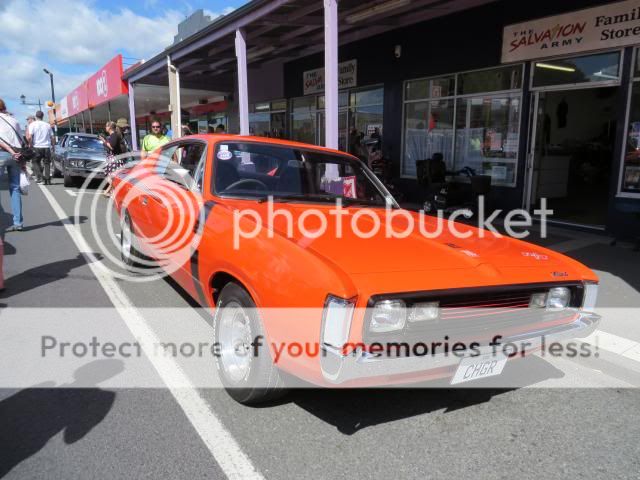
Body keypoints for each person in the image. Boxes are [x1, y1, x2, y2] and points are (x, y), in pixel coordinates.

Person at [0, 98, 25, 232]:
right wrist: (21, 160)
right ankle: (18, 222)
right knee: (15, 188)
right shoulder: (14, 120)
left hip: (2, 153)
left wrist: (9, 151)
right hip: (16, 155)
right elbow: (21, 141)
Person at [26, 110, 54, 185]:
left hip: (37, 146)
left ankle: (40, 177)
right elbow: (52, 137)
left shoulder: (32, 124)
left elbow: (29, 137)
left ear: (36, 116)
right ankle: (48, 179)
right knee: (47, 163)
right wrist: (53, 146)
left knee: (35, 162)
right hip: (47, 147)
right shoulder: (47, 125)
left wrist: (30, 144)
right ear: (42, 116)